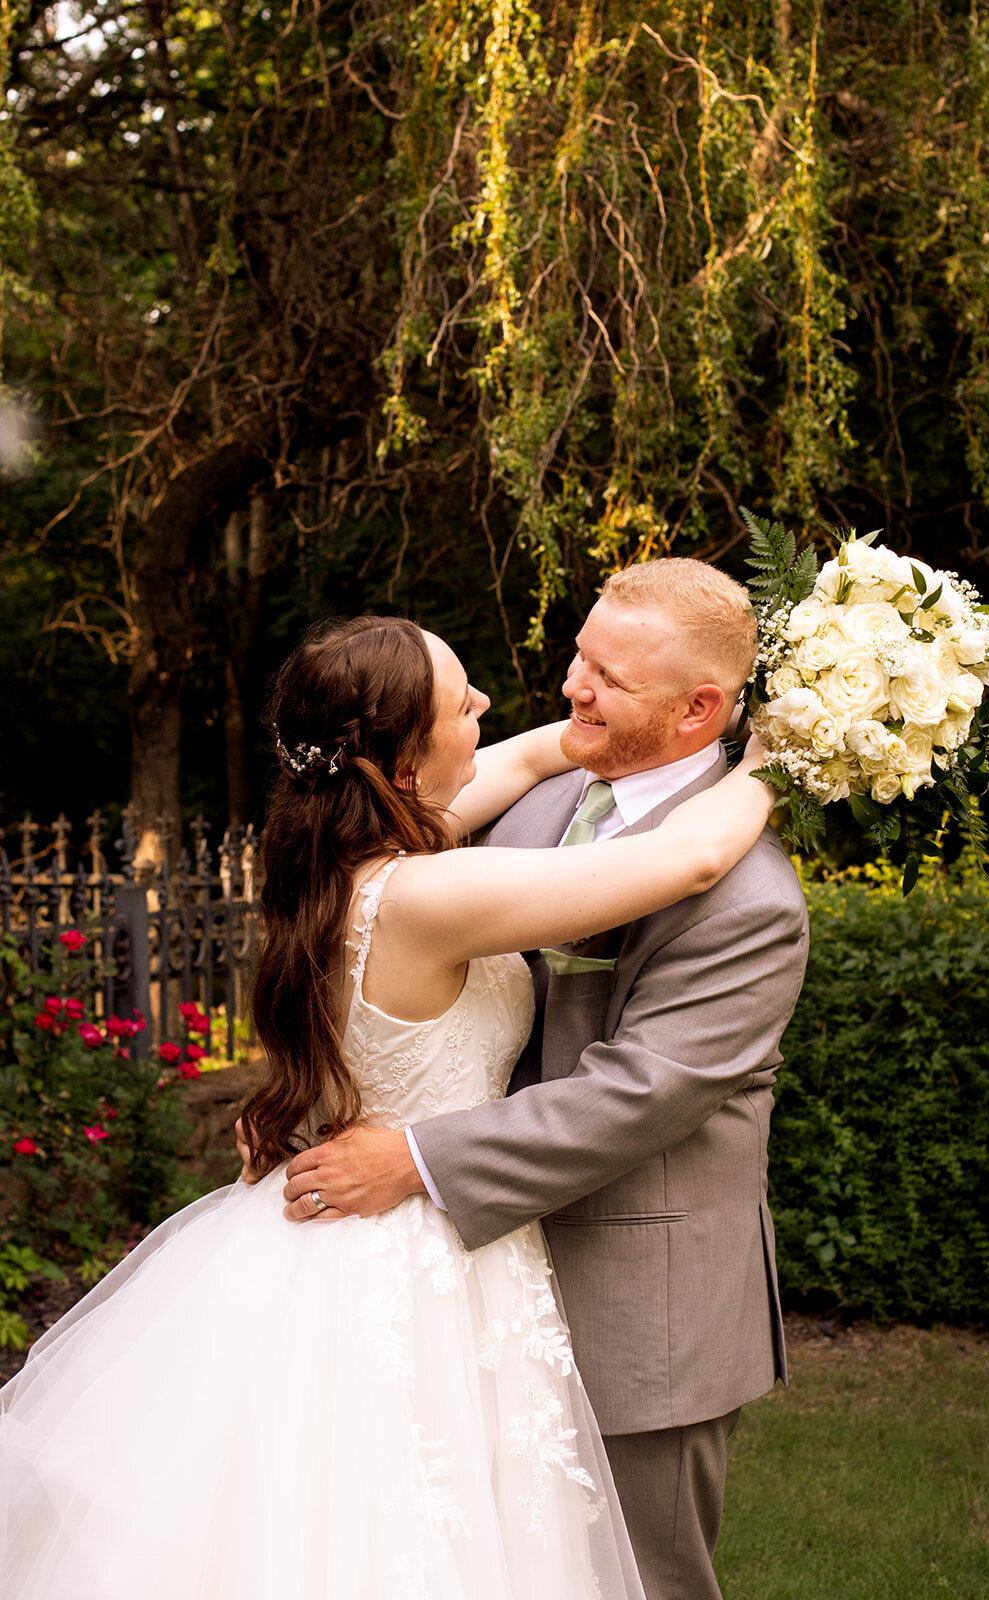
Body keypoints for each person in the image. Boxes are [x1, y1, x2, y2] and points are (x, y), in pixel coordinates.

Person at [0, 610, 780, 1600]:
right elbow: (690, 862)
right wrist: (777, 754)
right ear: (405, 765)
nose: (487, 711)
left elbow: (530, 750)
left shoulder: (335, 856)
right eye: (463, 703)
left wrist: (597, 721)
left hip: (324, 1239)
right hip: (415, 1252)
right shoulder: (429, 894)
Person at [275, 563, 810, 1600]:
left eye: (604, 673)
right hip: (445, 1287)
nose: (568, 687)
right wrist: (771, 757)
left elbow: (640, 1090)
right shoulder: (508, 816)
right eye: (578, 656)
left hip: (634, 1305)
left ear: (699, 706)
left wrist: (415, 1153)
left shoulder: (752, 896)